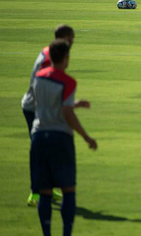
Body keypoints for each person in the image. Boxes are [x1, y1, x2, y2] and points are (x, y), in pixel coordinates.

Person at [31, 39, 97, 236]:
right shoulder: (68, 81)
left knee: (44, 191)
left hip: (39, 136)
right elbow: (66, 113)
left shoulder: (38, 77)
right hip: (60, 138)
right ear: (66, 58)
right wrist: (86, 137)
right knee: (68, 189)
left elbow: (45, 104)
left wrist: (74, 104)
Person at [22, 24, 75, 206]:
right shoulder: (50, 58)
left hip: (40, 106)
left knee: (45, 150)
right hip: (34, 107)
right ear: (65, 38)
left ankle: (47, 190)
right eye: (71, 38)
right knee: (39, 151)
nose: (73, 41)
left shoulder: (50, 52)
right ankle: (35, 193)